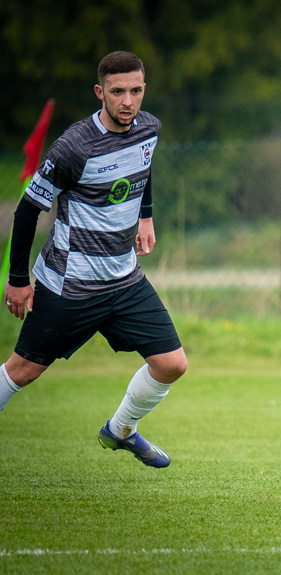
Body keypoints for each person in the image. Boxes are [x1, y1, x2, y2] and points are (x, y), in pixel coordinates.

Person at [1, 51, 187, 468]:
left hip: (124, 279)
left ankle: (119, 431)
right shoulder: (72, 147)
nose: (128, 101)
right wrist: (17, 279)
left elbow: (143, 167)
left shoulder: (149, 128)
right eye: (118, 92)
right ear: (100, 92)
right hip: (70, 284)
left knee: (172, 364)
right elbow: (29, 209)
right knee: (22, 372)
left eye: (136, 91)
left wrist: (146, 215)